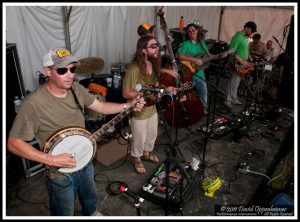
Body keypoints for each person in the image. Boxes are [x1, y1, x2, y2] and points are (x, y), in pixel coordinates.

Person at [7, 47, 145, 216]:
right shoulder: (33, 103)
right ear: (48, 71)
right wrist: (50, 159)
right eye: (62, 70)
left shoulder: (76, 89)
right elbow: (14, 143)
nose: (70, 74)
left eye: (72, 69)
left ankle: (91, 212)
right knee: (64, 211)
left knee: (90, 197)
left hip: (85, 159)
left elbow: (100, 106)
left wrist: (128, 105)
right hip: (60, 173)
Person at [122, 35, 177, 174]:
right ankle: (137, 158)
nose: (157, 48)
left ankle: (146, 154)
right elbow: (126, 93)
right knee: (139, 137)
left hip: (152, 107)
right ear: (143, 50)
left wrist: (164, 89)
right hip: (139, 110)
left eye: (157, 45)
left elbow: (156, 85)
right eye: (153, 46)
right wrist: (142, 95)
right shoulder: (134, 69)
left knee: (152, 134)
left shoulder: (154, 64)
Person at [177, 23, 225, 114]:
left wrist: (219, 56)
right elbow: (178, 55)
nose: (191, 32)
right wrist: (193, 59)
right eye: (189, 31)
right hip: (188, 75)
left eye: (193, 30)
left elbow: (209, 56)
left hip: (199, 74)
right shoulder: (186, 43)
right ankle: (184, 111)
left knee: (203, 94)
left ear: (197, 31)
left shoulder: (202, 43)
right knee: (185, 95)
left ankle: (203, 110)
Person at [223, 21, 257, 109]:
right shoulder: (238, 36)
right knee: (233, 81)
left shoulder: (246, 37)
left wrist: (249, 57)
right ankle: (227, 100)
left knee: (237, 81)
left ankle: (234, 98)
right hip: (236, 62)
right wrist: (241, 61)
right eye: (252, 31)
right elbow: (232, 50)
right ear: (247, 28)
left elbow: (246, 49)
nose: (252, 33)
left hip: (242, 62)